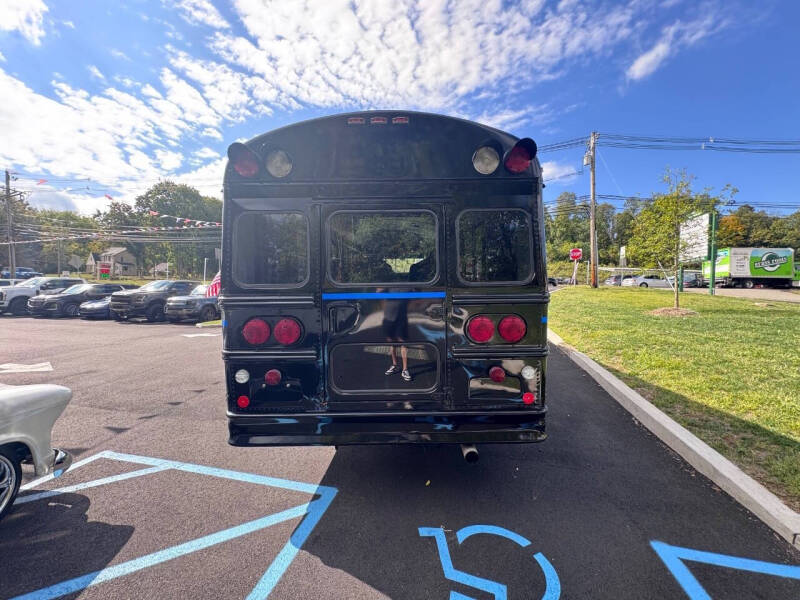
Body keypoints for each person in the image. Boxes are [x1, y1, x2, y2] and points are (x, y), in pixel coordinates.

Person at [382, 297, 411, 382]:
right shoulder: (387, 285)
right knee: (391, 342)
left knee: (403, 342)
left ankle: (405, 370)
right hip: (388, 318)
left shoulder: (405, 285)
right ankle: (395, 365)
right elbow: (379, 292)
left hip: (401, 318)